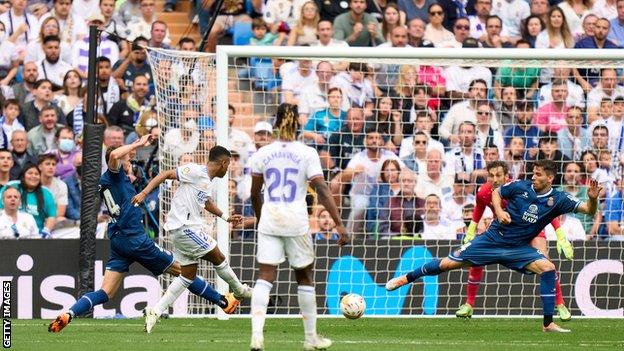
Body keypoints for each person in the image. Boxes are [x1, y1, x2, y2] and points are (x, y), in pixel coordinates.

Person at [48, 135, 240, 333]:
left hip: (118, 242)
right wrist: (138, 144)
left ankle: (69, 313)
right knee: (185, 272)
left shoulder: (112, 181)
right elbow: (114, 154)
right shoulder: (114, 175)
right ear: (119, 163)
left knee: (105, 292)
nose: (130, 163)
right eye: (128, 160)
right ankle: (224, 301)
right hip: (135, 240)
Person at [387, 159, 600, 332]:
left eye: (538, 174)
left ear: (550, 178)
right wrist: (498, 211)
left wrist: (592, 200)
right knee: (446, 264)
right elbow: (496, 192)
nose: (533, 177)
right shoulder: (520, 186)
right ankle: (406, 278)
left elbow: (588, 211)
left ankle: (548, 323)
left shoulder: (559, 198)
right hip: (491, 240)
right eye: (533, 173)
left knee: (548, 268)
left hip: (518, 248)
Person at [248, 103, 348, 350]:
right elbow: (322, 189)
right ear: (297, 125)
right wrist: (338, 223)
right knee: (304, 276)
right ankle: (311, 337)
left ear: (276, 123)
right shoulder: (307, 153)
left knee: (265, 276)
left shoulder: (262, 153)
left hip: (270, 218)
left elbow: (254, 193)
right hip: (296, 220)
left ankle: (257, 336)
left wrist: (261, 218)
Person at [133, 145, 252, 333]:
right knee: (218, 257)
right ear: (222, 163)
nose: (228, 168)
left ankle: (155, 311)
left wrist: (226, 217)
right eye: (228, 164)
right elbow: (165, 174)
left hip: (183, 230)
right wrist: (144, 193)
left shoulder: (206, 182)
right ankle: (239, 291)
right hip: (184, 228)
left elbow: (206, 202)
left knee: (187, 276)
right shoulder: (196, 171)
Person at [454, 161, 571, 321]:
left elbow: (548, 210)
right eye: (491, 176)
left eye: (499, 176)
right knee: (476, 259)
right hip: (503, 231)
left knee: (546, 262)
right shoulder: (484, 192)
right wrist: (471, 230)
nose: (494, 180)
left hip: (531, 228)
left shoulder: (520, 188)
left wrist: (560, 235)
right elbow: (479, 208)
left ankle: (560, 304)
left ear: (506, 176)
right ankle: (469, 304)